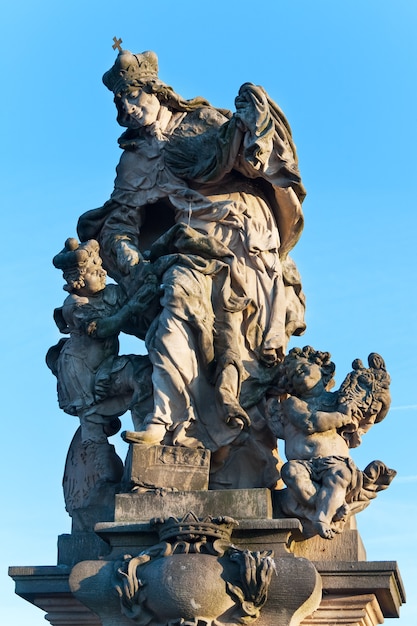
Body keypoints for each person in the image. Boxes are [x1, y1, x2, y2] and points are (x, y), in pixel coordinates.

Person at [77, 49, 307, 487]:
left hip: (243, 244)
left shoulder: (203, 123)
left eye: (132, 97)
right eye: (118, 102)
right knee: (177, 314)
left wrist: (252, 127)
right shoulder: (133, 162)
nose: (125, 108)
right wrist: (132, 264)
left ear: (155, 92)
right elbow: (120, 226)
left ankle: (241, 450)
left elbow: (252, 155)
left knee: (245, 354)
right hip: (187, 253)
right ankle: (169, 427)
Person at [46, 237, 154, 480]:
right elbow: (103, 327)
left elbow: (135, 319)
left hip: (106, 365)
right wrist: (133, 307)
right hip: (84, 373)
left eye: (102, 268)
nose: (102, 274)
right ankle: (101, 478)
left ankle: (146, 443)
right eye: (95, 272)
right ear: (78, 282)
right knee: (92, 422)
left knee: (144, 374)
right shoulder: (74, 305)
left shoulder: (110, 293)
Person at [267, 346, 395, 538]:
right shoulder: (293, 404)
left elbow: (369, 415)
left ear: (324, 371)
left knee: (338, 476)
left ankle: (322, 518)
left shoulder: (339, 399)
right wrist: (342, 416)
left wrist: (381, 398)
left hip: (335, 462)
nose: (298, 373)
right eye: (293, 375)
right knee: (290, 472)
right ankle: (331, 508)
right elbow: (309, 422)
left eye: (304, 367)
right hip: (304, 465)